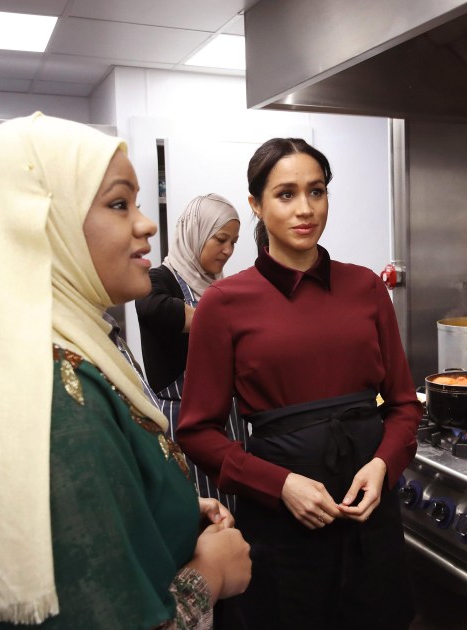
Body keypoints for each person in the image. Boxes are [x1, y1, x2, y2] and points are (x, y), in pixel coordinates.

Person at [0, 112, 251, 629]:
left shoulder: (55, 349)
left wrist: (167, 504)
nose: (146, 223)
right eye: (119, 203)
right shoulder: (58, 400)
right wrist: (210, 575)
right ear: (39, 227)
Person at [176, 137, 422, 630]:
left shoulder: (366, 288)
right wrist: (280, 485)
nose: (305, 209)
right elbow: (197, 431)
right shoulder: (224, 303)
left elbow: (401, 404)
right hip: (282, 528)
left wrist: (382, 466)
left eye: (317, 191)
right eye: (285, 194)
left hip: (370, 519)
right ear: (256, 205)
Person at [136, 194, 245, 502]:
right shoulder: (160, 279)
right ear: (195, 232)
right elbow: (152, 307)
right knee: (202, 511)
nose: (228, 250)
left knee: (236, 505)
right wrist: (220, 323)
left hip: (229, 415)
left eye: (234, 242)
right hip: (182, 415)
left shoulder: (221, 286)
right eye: (221, 239)